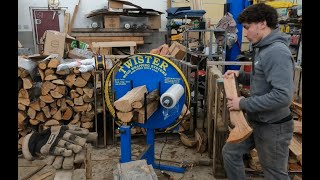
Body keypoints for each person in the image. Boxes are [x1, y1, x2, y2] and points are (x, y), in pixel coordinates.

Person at [222, 3, 295, 180]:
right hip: (257, 121)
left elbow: (283, 96)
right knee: (230, 153)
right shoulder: (263, 48)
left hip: (273, 127)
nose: (245, 33)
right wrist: (240, 75)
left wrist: (243, 103)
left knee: (274, 174)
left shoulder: (276, 52)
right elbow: (262, 79)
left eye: (247, 27)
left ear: (262, 24)